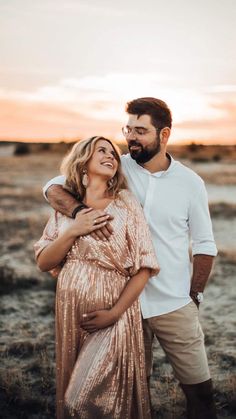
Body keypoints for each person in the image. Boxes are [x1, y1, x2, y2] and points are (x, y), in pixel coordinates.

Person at [43, 98, 218, 419]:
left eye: (140, 130)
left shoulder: (191, 183)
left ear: (164, 135)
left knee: (200, 391)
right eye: (128, 129)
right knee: (130, 395)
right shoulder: (117, 168)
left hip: (173, 302)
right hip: (122, 307)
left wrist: (194, 295)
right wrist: (79, 213)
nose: (131, 137)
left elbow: (205, 245)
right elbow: (52, 187)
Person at [35, 136, 159, 419]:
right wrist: (74, 229)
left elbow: (144, 267)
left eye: (113, 153)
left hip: (113, 311)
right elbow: (44, 262)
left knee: (84, 399)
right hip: (71, 310)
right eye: (101, 151)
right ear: (83, 162)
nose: (111, 156)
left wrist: (115, 313)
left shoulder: (126, 202)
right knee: (80, 394)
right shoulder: (67, 208)